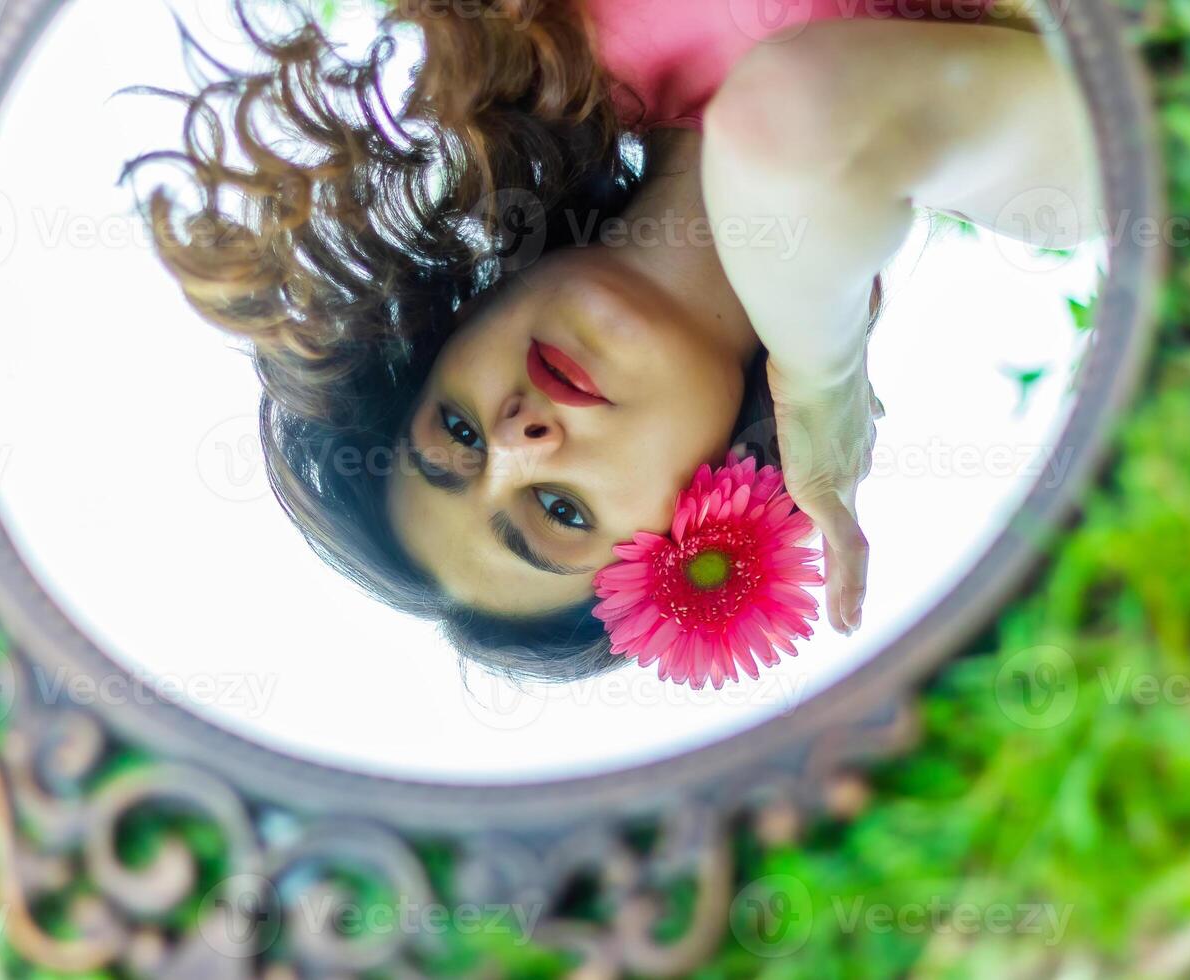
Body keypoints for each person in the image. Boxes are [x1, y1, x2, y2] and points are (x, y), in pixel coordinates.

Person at [133, 0, 1098, 681]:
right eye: (557, 508)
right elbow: (789, 123)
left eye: (455, 435)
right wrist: (822, 370)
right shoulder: (1064, 189)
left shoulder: (527, 24)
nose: (514, 439)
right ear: (701, 525)